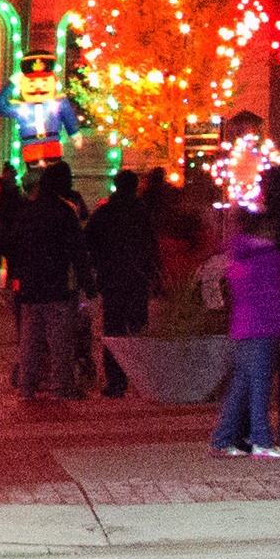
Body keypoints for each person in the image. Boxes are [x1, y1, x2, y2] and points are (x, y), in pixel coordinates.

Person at [209, 183, 280, 454]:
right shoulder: (268, 257)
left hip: (242, 327)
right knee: (259, 386)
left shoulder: (239, 257)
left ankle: (223, 439)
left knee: (241, 385)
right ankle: (261, 440)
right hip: (262, 329)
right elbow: (274, 296)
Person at [0, 158, 94, 409]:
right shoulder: (64, 212)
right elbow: (77, 250)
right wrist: (88, 284)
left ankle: (27, 387)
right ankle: (62, 385)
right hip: (56, 286)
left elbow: (12, 243)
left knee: (30, 339)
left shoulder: (28, 211)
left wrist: (17, 272)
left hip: (30, 286)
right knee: (59, 339)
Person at [86, 166, 174, 400]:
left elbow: (90, 244)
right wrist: (154, 275)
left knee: (114, 331)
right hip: (137, 279)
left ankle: (116, 382)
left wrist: (99, 269)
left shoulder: (105, 213)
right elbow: (152, 247)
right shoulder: (141, 213)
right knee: (137, 329)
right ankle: (138, 378)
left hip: (113, 279)